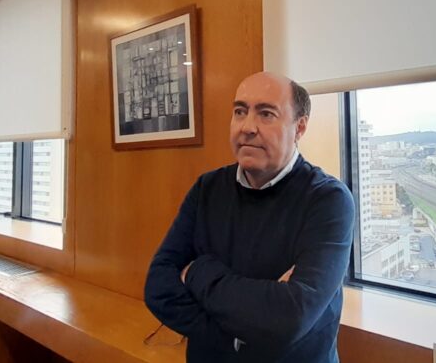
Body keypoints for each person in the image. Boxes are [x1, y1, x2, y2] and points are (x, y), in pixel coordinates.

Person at [144, 72, 355, 362]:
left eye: (266, 114)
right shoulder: (207, 188)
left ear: (300, 127)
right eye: (240, 112)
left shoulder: (328, 200)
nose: (247, 127)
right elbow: (158, 287)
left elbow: (290, 317)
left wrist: (197, 272)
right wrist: (232, 339)